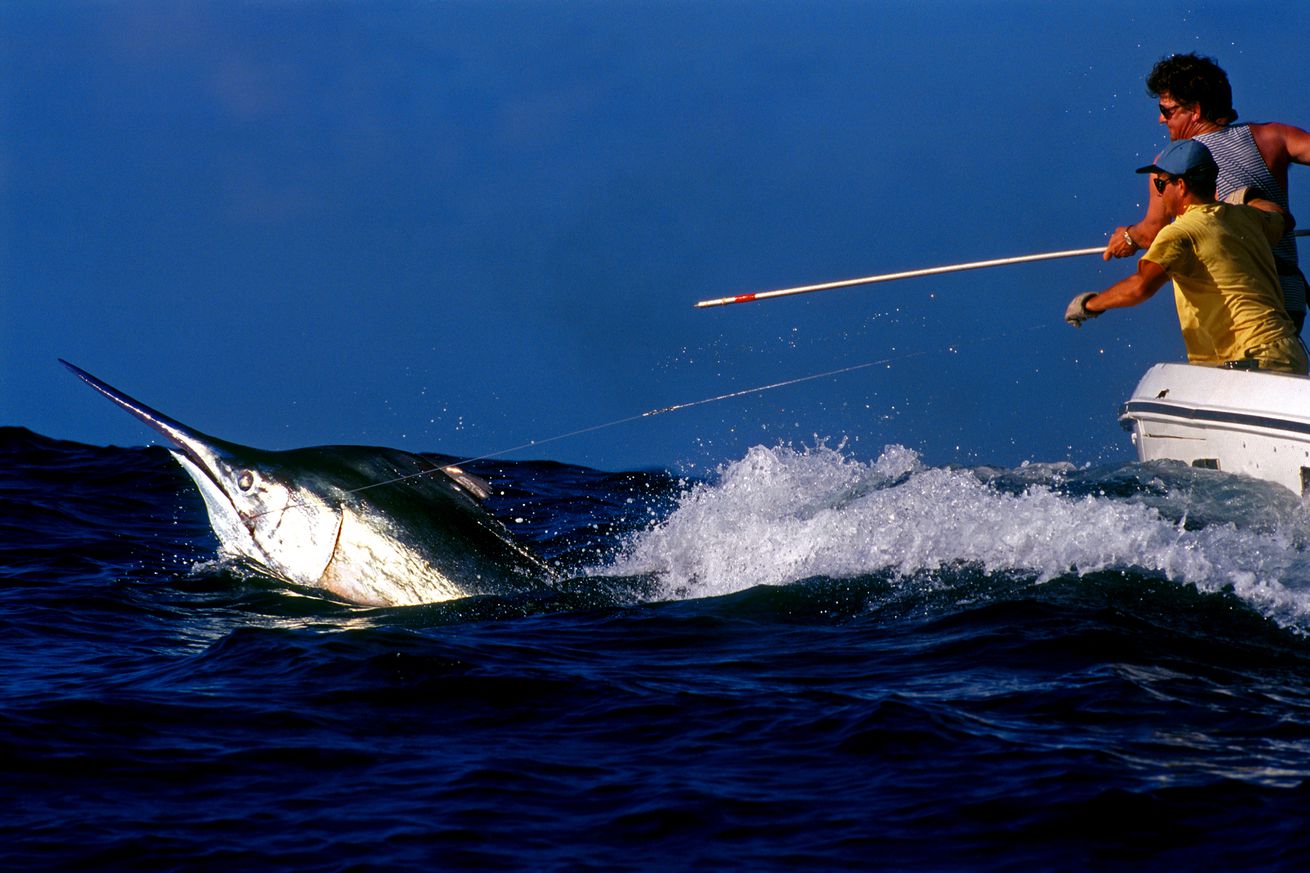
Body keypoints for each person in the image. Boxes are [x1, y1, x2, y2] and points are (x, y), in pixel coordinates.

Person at [1101, 53, 1310, 332]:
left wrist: (1127, 236)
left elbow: (1152, 232)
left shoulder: (1167, 168)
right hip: (1289, 297)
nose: (1161, 120)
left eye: (1167, 111)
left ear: (1195, 111)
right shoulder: (1273, 137)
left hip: (1234, 303)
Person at [1067, 139, 1307, 375]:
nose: (1159, 194)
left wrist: (1089, 305)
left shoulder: (1180, 232)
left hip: (1249, 357)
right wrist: (1244, 198)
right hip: (1289, 355)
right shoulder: (1245, 217)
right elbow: (1281, 217)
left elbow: (1140, 286)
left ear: (1181, 185)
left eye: (1161, 185)